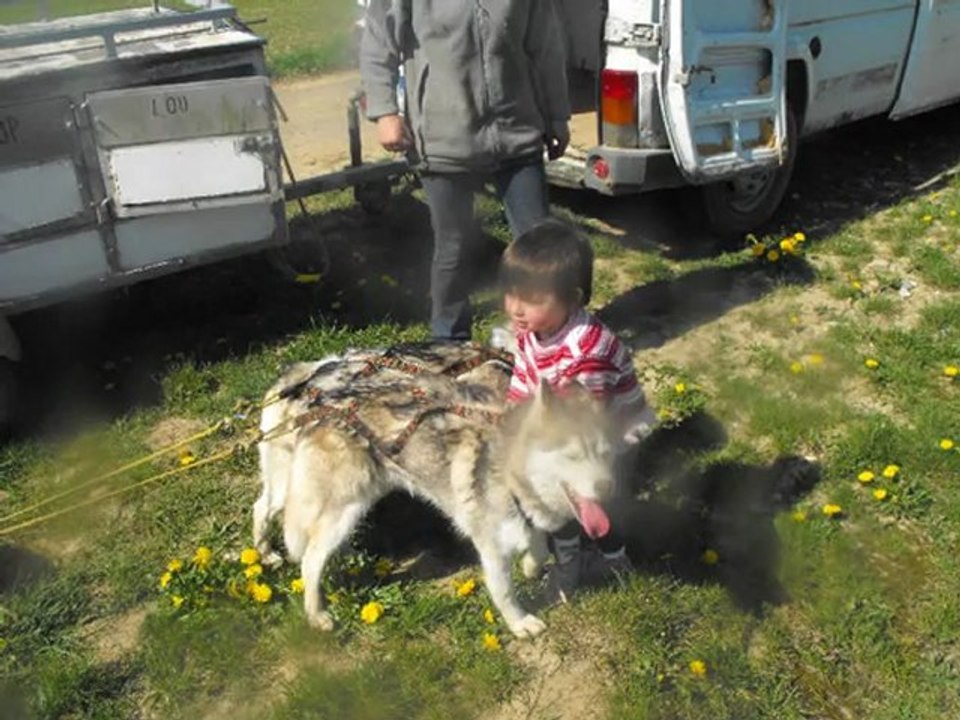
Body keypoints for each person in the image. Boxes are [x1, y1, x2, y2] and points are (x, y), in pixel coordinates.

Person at [360, 0, 571, 340]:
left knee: (537, 245)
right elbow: (378, 43)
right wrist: (385, 112)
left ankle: (548, 338)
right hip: (444, 137)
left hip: (516, 132)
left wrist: (557, 114)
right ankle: (449, 340)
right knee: (454, 246)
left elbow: (546, 46)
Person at [500, 218, 656, 602]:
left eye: (533, 299)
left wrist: (530, 436)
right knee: (562, 496)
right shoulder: (530, 333)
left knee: (594, 501)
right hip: (566, 431)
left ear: (572, 298)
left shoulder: (589, 352)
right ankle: (573, 559)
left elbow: (585, 417)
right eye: (511, 294)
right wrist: (511, 416)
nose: (517, 309)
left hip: (610, 435)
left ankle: (607, 561)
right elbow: (524, 377)